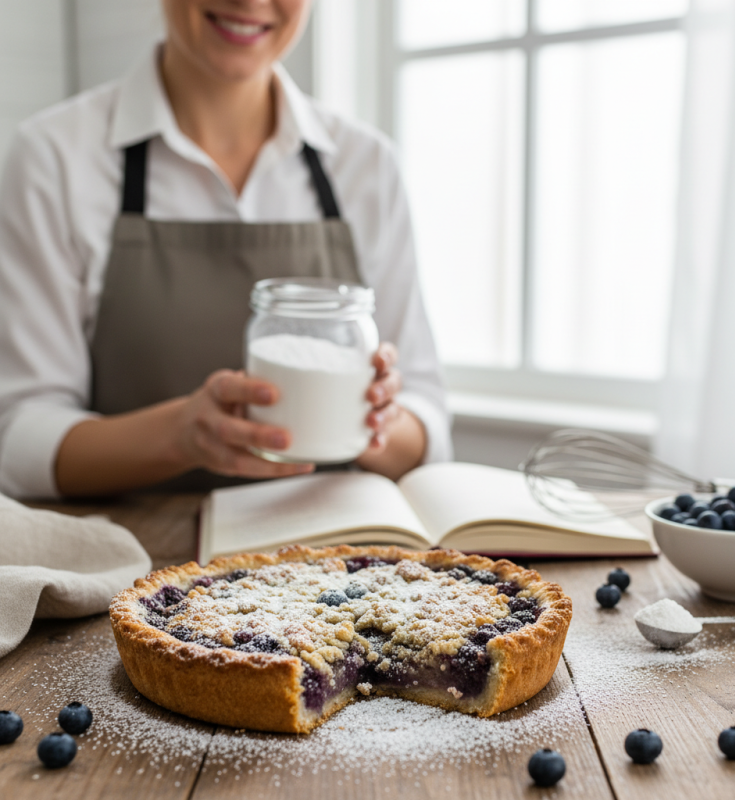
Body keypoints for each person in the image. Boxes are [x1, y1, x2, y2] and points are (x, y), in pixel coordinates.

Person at [0, 0, 451, 499]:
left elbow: (426, 429)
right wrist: (180, 437)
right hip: (132, 555)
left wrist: (373, 417)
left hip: (327, 558)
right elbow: (18, 440)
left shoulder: (367, 164)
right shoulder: (54, 157)